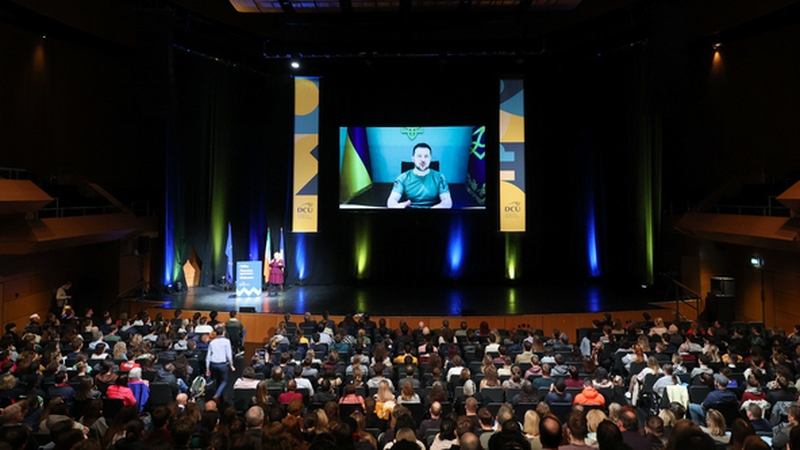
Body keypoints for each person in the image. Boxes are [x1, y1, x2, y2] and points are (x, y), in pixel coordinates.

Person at [386, 143, 452, 209]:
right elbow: (391, 201)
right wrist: (400, 206)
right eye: (419, 156)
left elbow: (447, 202)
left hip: (433, 215)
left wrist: (431, 211)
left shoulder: (439, 177)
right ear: (413, 159)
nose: (423, 160)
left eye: (426, 156)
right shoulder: (402, 178)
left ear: (430, 159)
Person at [206, 324, 235, 401]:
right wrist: (231, 365)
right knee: (224, 381)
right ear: (223, 333)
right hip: (222, 365)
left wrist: (207, 368)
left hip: (213, 364)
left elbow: (208, 357)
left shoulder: (212, 342)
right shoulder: (227, 341)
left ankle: (218, 394)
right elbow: (229, 355)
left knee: (216, 379)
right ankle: (217, 395)